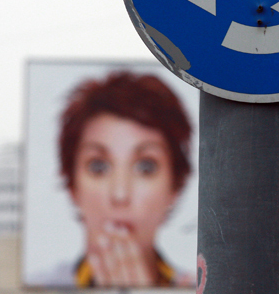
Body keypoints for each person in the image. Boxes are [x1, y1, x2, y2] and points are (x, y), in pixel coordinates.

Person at [56, 70, 193, 288]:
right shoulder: (41, 285)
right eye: (98, 167)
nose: (120, 195)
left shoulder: (202, 286)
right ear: (72, 185)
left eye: (146, 167)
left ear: (175, 186)